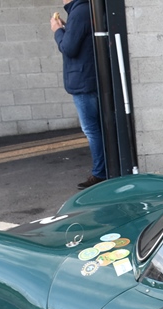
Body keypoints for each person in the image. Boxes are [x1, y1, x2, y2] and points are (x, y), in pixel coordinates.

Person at [51, 0, 106, 190]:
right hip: (90, 79)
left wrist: (57, 31)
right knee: (98, 128)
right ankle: (104, 170)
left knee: (91, 129)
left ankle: (100, 173)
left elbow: (69, 48)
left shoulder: (79, 11)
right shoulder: (85, 9)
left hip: (83, 81)